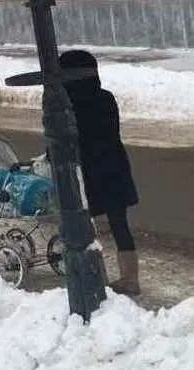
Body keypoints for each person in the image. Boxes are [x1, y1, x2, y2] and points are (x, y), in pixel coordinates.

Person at [59, 50, 141, 296]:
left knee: (87, 227)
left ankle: (99, 280)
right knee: (119, 224)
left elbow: (66, 141)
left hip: (88, 172)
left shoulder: (68, 104)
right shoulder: (106, 98)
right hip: (114, 166)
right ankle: (130, 279)